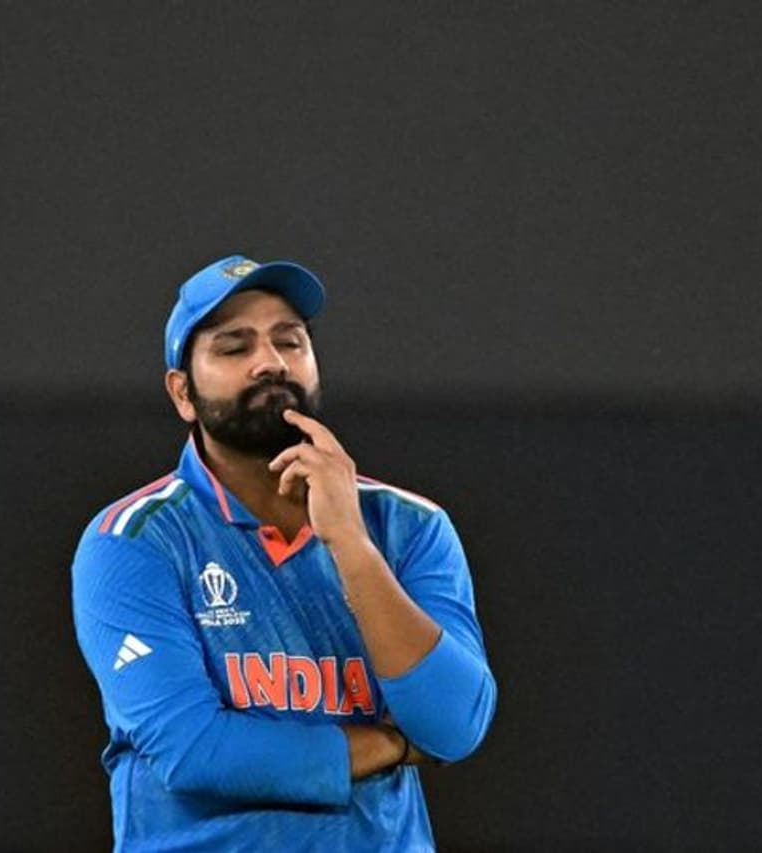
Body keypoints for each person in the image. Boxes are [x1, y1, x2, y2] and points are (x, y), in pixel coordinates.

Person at [70, 254, 497, 851]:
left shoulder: (410, 526)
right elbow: (195, 751)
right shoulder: (133, 539)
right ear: (182, 393)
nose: (270, 362)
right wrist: (392, 744)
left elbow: (454, 725)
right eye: (234, 347)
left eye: (289, 341)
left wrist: (351, 544)